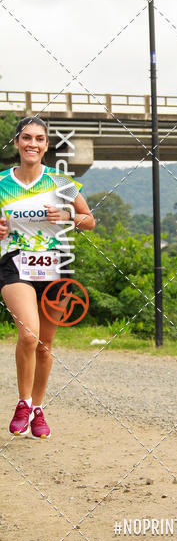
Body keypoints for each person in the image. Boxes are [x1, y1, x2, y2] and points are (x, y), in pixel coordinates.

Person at [0, 116, 95, 438]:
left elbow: (89, 221)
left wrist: (68, 215)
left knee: (44, 345)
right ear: (16, 142)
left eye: (39, 139)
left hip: (56, 266)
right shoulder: (1, 182)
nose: (33, 144)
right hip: (15, 263)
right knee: (29, 335)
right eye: (26, 137)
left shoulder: (61, 181)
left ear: (46, 145)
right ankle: (23, 402)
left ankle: (38, 409)